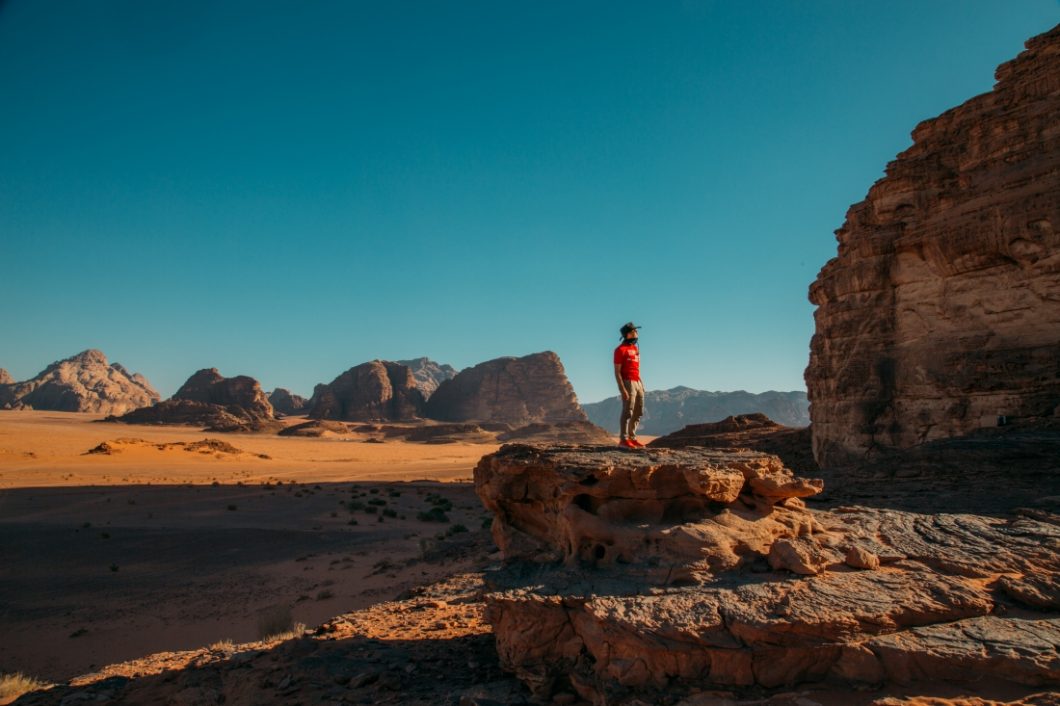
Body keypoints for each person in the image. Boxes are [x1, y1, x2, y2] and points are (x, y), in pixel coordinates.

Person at [613, 322, 645, 448]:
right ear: (626, 335)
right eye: (633, 332)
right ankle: (623, 439)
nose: (636, 334)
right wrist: (622, 389)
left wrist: (641, 384)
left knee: (639, 411)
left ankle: (632, 437)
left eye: (636, 331)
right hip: (628, 382)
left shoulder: (635, 349)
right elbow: (617, 372)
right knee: (628, 412)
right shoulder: (620, 350)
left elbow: (637, 368)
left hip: (638, 382)